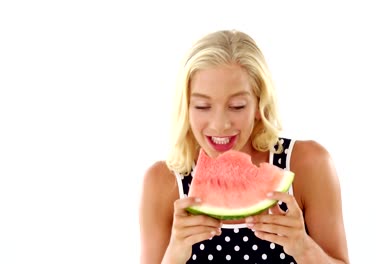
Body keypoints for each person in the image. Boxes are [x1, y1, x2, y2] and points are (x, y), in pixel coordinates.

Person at [139, 29, 349, 264]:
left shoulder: (307, 165)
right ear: (185, 108)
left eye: (237, 106)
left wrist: (304, 249)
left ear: (259, 104)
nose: (220, 125)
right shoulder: (162, 183)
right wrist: (174, 255)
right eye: (202, 106)